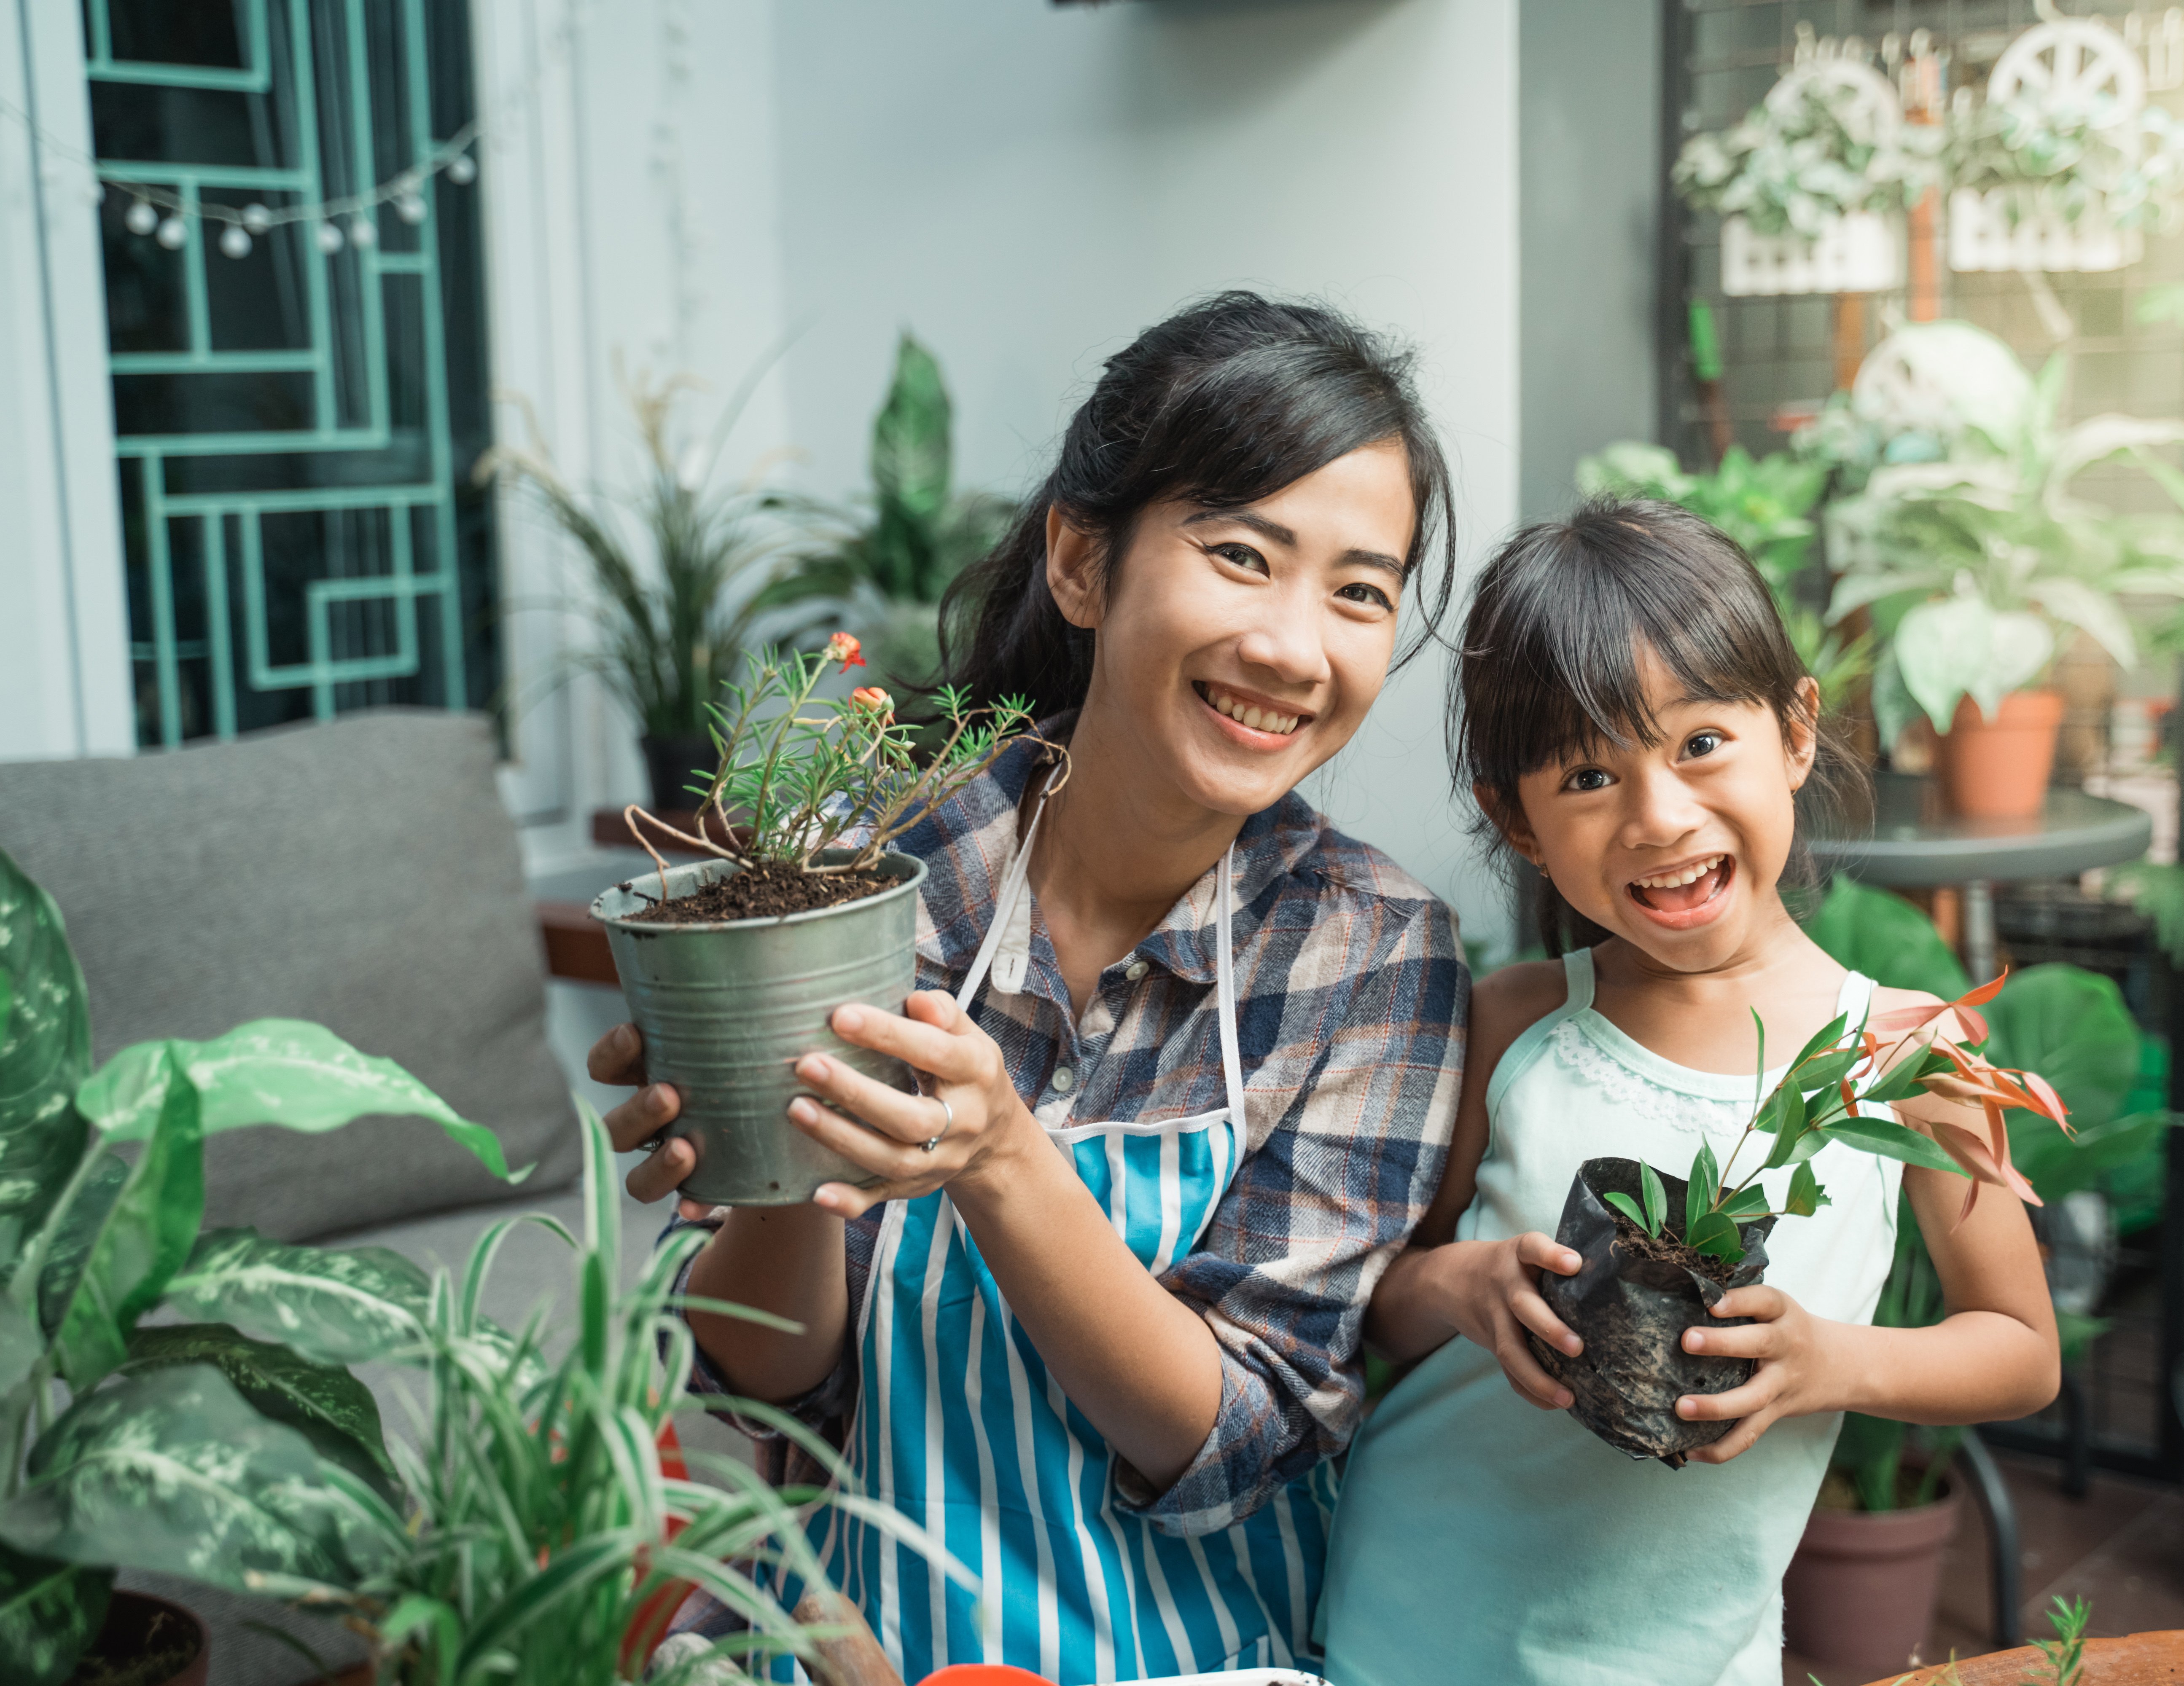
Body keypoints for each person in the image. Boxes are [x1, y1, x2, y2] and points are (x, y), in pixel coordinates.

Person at [587, 293, 1469, 1682]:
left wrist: (1000, 1158)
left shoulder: (1371, 953)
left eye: (1360, 590)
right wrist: (774, 1149)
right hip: (858, 1648)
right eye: (1243, 556)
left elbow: (1234, 1442)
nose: (1299, 648)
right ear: (1079, 558)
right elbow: (778, 1384)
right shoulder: (879, 875)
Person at [1316, 499, 2060, 1686]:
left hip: (1685, 1658)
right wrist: (1455, 1285)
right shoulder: (1515, 1023)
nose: (1659, 816)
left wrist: (1832, 1363)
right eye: (1589, 774)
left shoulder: (1915, 1057)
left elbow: (2022, 1352)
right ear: (1520, 818)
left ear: (1797, 730)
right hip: (1407, 1624)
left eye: (1702, 743)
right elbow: (1374, 1310)